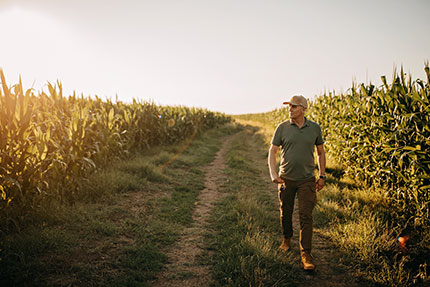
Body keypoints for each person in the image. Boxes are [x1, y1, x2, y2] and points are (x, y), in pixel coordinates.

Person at [268, 95, 326, 271]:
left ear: (303, 109)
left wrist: (322, 175)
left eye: (293, 106)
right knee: (286, 211)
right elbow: (272, 152)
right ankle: (286, 239)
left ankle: (306, 254)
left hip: (307, 180)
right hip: (286, 178)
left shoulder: (314, 128)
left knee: (306, 216)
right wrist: (273, 173)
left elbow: (321, 152)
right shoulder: (282, 128)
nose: (290, 109)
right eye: (289, 106)